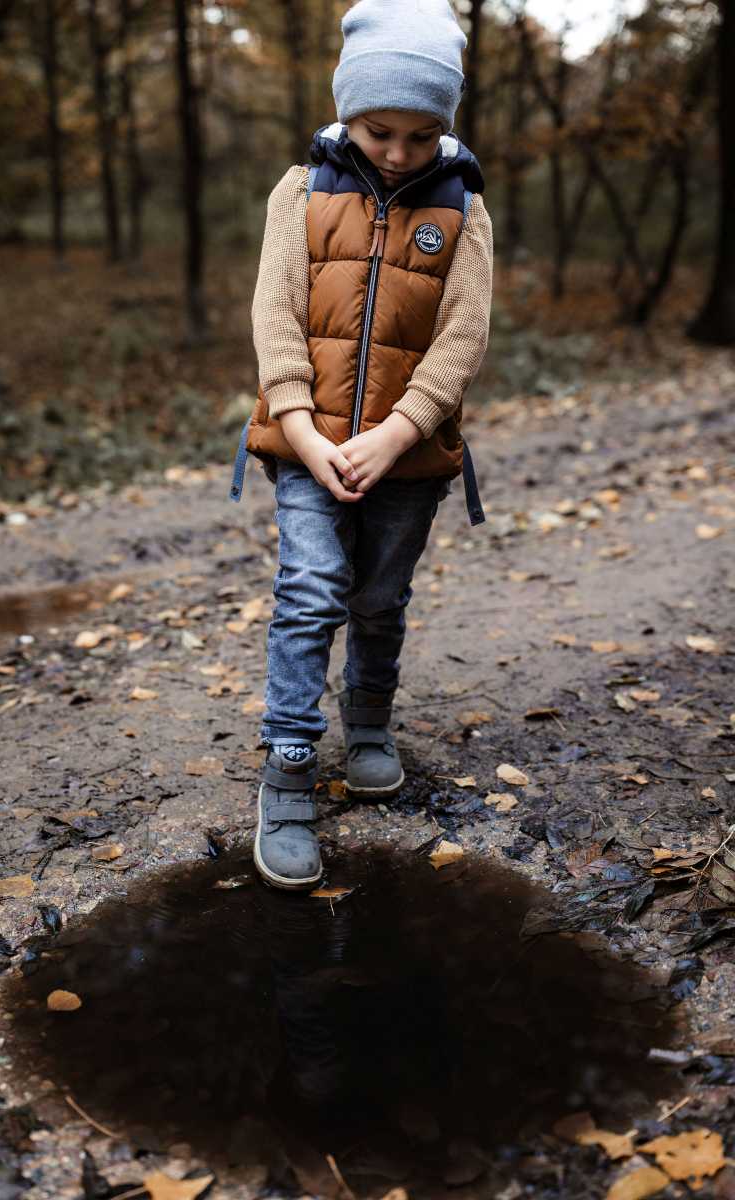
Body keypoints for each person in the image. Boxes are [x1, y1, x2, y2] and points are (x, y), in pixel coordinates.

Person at [231, 0, 493, 890]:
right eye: (381, 131)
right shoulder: (301, 193)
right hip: (306, 445)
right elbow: (276, 317)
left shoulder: (463, 210)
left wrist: (398, 432)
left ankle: (370, 722)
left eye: (422, 137)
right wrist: (301, 430)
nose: (398, 153)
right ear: (349, 110)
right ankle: (291, 767)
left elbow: (464, 338)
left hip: (407, 457)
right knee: (310, 592)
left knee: (379, 597)